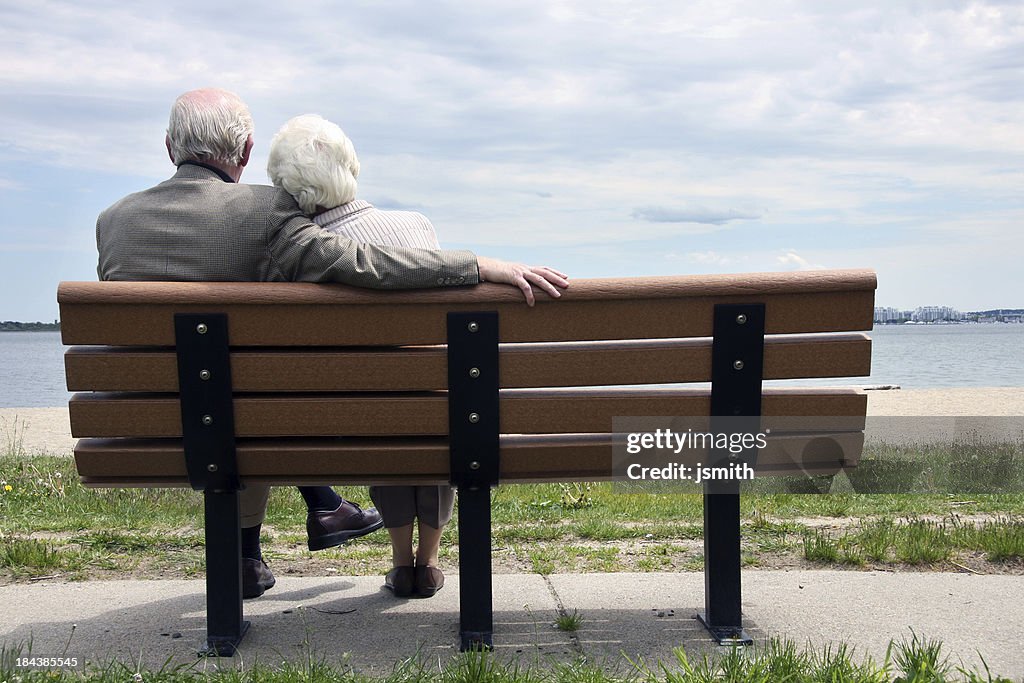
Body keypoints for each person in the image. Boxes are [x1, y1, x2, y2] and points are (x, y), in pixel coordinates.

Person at [95, 88, 569, 600]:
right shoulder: (263, 211)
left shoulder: (113, 220)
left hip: (140, 431)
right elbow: (363, 263)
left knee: (224, 397)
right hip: (242, 428)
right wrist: (478, 266)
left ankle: (254, 551)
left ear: (169, 146)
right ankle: (318, 512)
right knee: (235, 401)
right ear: (246, 151)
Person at [266, 114, 457, 597]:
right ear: (351, 166)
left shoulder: (294, 253)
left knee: (378, 407)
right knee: (428, 403)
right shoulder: (414, 225)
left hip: (354, 421)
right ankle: (428, 563)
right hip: (436, 410)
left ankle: (398, 561)